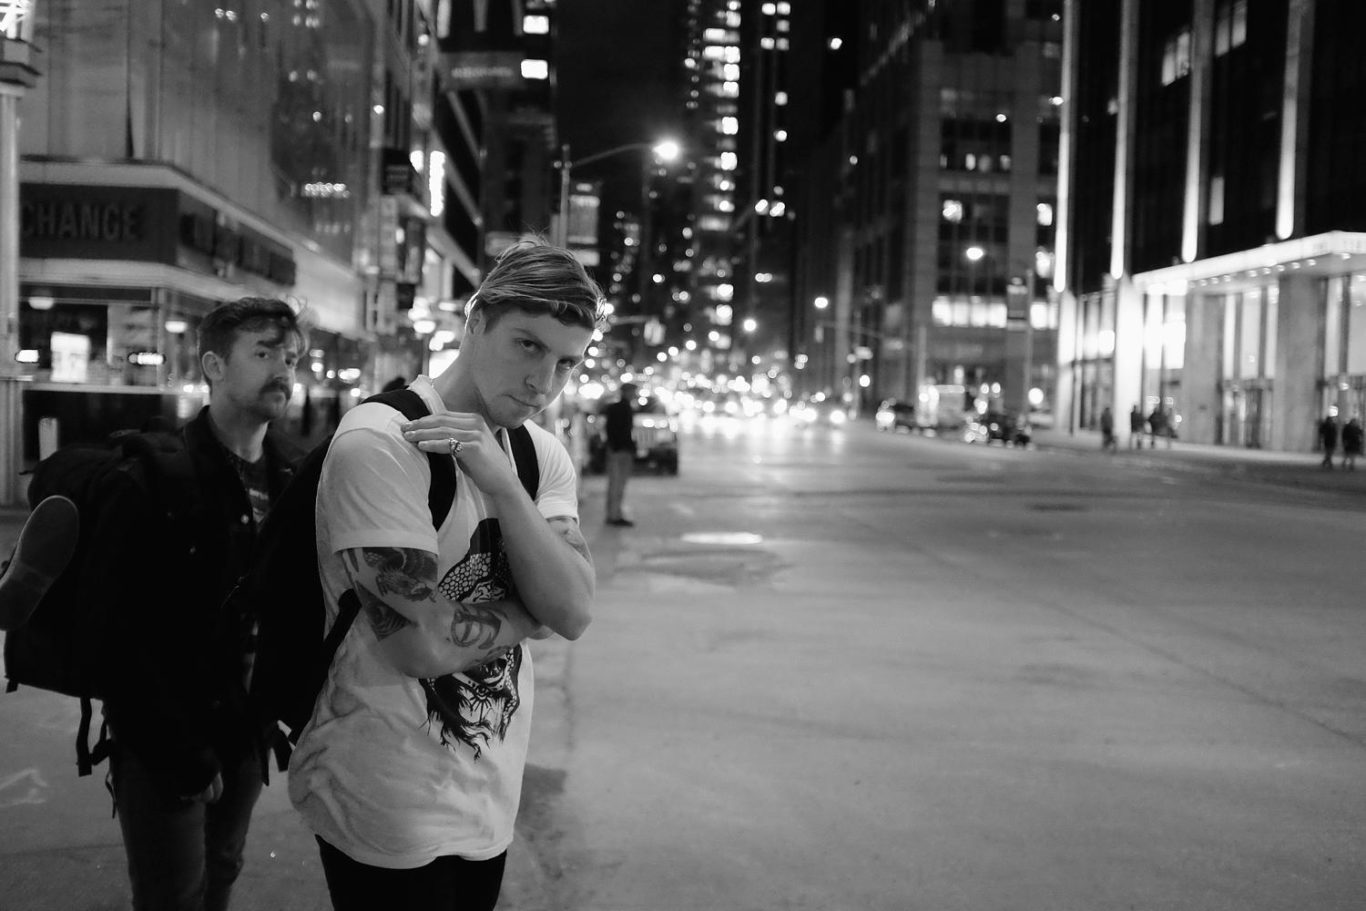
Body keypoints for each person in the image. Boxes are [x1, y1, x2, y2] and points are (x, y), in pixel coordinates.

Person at [289, 240, 600, 910]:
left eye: (566, 362)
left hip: (490, 792)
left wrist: (503, 484)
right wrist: (529, 613)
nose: (543, 381)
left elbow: (574, 611)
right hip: (382, 792)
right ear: (476, 320)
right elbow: (419, 645)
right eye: (527, 345)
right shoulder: (382, 441)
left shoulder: (538, 454)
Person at [102, 298, 305, 910]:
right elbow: (121, 634)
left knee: (222, 871)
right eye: (264, 353)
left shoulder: (293, 474)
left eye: (292, 358)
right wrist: (178, 751)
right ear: (214, 366)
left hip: (245, 729)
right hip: (165, 734)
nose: (283, 370)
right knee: (173, 895)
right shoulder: (158, 476)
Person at [602, 382, 638, 527]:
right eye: (633, 392)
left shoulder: (617, 407)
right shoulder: (623, 408)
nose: (635, 394)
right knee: (617, 484)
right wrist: (621, 447)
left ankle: (614, 513)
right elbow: (619, 431)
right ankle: (614, 515)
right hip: (620, 450)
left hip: (617, 449)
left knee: (616, 484)